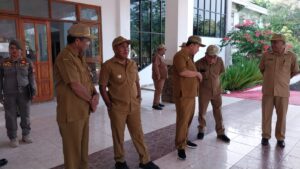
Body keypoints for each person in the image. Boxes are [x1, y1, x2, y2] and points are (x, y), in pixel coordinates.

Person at [99, 36, 160, 169]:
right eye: (122, 47)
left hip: (134, 106)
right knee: (118, 135)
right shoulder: (108, 66)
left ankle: (145, 160)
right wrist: (110, 105)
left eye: (127, 47)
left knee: (138, 133)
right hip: (117, 108)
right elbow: (102, 87)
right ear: (115, 49)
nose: (126, 50)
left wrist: (139, 97)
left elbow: (136, 82)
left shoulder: (132, 63)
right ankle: (120, 161)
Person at [54, 23, 99, 169]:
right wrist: (91, 101)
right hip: (71, 114)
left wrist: (95, 94)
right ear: (77, 41)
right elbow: (75, 85)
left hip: (82, 111)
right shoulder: (65, 57)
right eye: (86, 40)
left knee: (83, 152)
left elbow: (86, 81)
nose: (88, 43)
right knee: (73, 154)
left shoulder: (80, 57)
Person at [259, 33, 299, 148]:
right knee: (266, 115)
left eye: (276, 42)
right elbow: (262, 69)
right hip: (268, 90)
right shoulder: (266, 55)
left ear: (283, 43)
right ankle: (265, 136)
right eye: (272, 42)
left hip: (282, 91)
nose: (273, 44)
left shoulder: (291, 56)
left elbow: (294, 71)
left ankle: (280, 138)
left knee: (282, 116)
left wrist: (283, 79)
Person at [173, 35, 204, 160]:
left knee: (188, 119)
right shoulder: (180, 55)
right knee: (183, 120)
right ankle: (180, 146)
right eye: (197, 47)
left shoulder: (189, 57)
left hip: (190, 94)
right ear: (191, 45)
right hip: (183, 95)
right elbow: (182, 72)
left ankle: (184, 140)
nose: (198, 49)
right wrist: (197, 73)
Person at [0, 40, 36, 148]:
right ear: (9, 50)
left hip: (24, 92)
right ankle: (13, 137)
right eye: (11, 48)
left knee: (26, 115)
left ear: (21, 51)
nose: (14, 50)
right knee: (10, 116)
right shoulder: (4, 62)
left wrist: (33, 90)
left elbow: (31, 77)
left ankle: (26, 134)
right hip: (9, 93)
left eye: (16, 48)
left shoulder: (27, 62)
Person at [195, 45, 230, 143]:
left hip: (217, 91)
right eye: (209, 56)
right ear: (206, 54)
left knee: (218, 111)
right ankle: (201, 130)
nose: (211, 59)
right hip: (204, 91)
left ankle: (221, 133)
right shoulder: (198, 63)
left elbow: (220, 73)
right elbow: (195, 78)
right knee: (202, 112)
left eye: (214, 56)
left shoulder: (220, 61)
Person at [152, 44, 168, 110]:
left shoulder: (161, 56)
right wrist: (158, 75)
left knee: (159, 90)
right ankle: (155, 104)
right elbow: (155, 66)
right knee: (158, 90)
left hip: (162, 77)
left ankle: (158, 102)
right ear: (161, 49)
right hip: (159, 77)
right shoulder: (157, 56)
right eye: (164, 50)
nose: (165, 51)